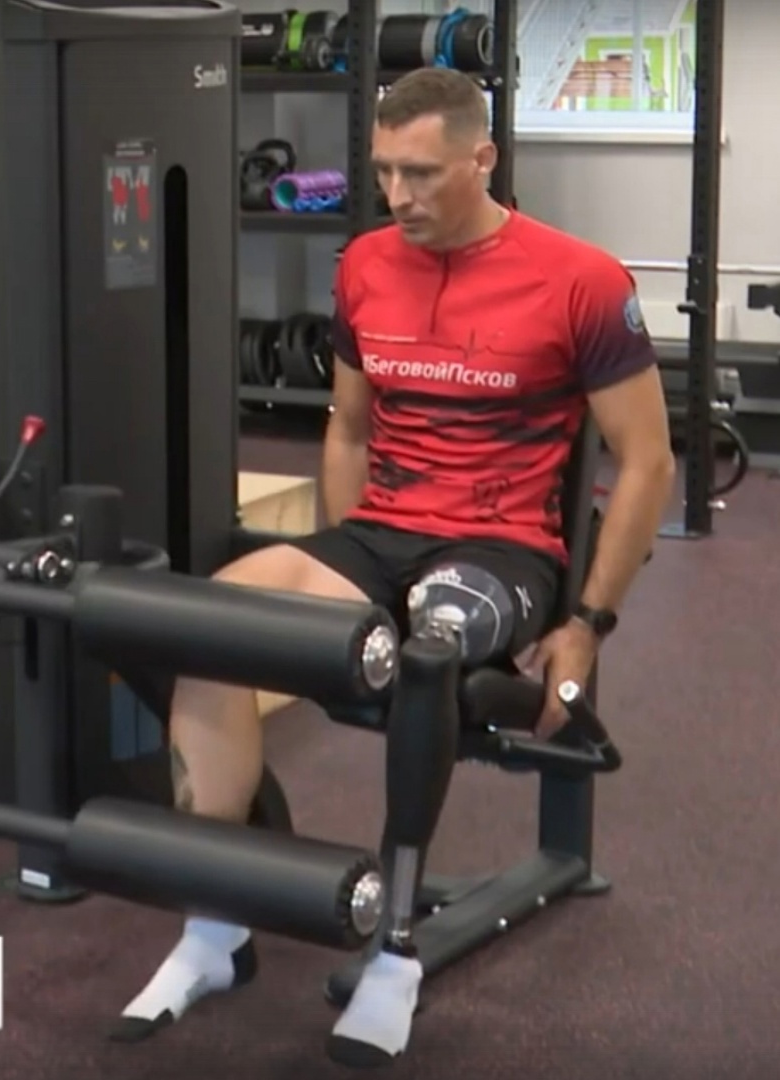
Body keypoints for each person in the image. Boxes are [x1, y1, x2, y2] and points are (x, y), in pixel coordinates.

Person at [112, 67, 676, 1065]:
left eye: (420, 173)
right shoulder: (366, 264)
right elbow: (347, 427)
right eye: (382, 172)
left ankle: (395, 949)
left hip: (500, 549)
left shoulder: (581, 279)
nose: (396, 195)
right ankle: (214, 926)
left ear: (481, 158)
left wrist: (588, 623)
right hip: (379, 536)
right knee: (208, 623)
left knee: (431, 645)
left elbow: (646, 462)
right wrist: (344, 574)